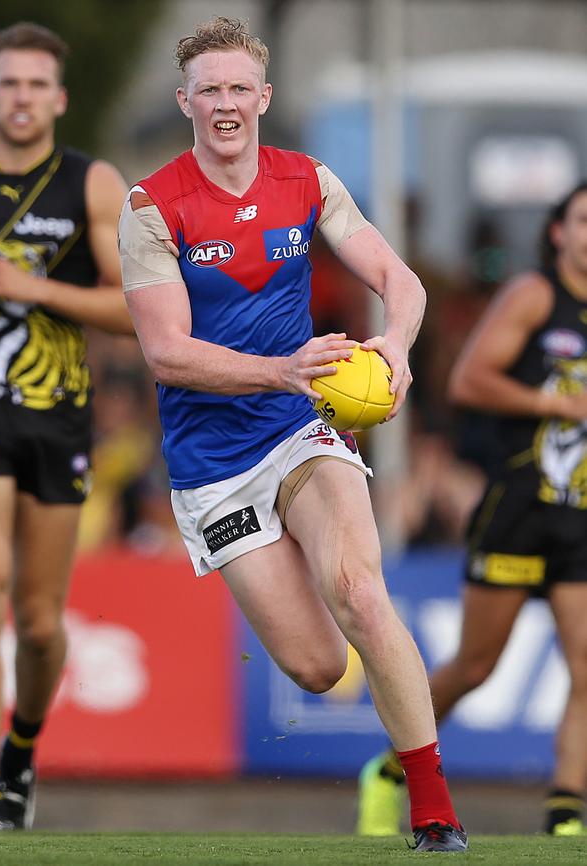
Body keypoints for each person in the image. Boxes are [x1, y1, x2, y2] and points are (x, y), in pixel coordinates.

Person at [119, 17, 467, 853]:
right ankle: (315, 592)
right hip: (213, 466)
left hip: (301, 426)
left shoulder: (306, 179)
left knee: (360, 590)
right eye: (211, 91)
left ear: (265, 98)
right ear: (186, 102)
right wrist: (280, 368)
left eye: (241, 88)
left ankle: (433, 809)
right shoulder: (150, 208)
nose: (227, 104)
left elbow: (397, 276)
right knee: (315, 666)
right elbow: (168, 355)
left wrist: (397, 345)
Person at [0, 22, 131, 831]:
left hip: (55, 420)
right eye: (8, 84)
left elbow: (138, 310)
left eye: (35, 86)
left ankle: (23, 742)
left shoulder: (93, 184)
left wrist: (36, 289)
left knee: (41, 622)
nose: (21, 98)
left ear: (58, 99)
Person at [357, 182, 587, 838]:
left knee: (586, 667)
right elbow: (467, 381)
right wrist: (556, 404)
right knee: (477, 666)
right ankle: (389, 770)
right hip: (519, 507)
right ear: (558, 233)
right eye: (583, 220)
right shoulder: (535, 296)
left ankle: (565, 814)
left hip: (580, 514)